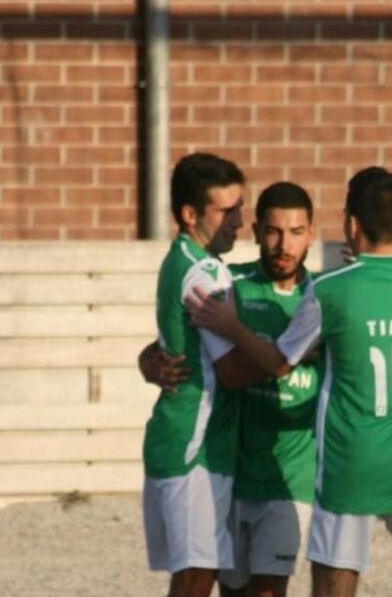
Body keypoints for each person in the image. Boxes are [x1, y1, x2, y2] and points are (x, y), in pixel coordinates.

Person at [187, 167, 392, 597]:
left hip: (347, 465)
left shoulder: (330, 289)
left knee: (332, 585)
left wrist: (234, 328)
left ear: (349, 223)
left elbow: (279, 362)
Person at [141, 181, 322, 597]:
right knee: (226, 587)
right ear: (256, 231)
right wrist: (149, 361)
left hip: (287, 476)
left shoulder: (323, 298)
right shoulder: (229, 284)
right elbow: (177, 340)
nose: (283, 244)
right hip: (230, 466)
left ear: (312, 233)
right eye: (273, 231)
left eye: (296, 232)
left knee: (266, 591)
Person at [141, 152, 246, 597]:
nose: (238, 222)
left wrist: (148, 359)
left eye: (239, 208)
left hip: (191, 438)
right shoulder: (205, 272)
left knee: (203, 571)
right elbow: (232, 370)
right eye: (226, 211)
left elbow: (169, 344)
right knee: (197, 575)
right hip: (193, 443)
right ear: (190, 214)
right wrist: (292, 356)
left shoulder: (181, 259)